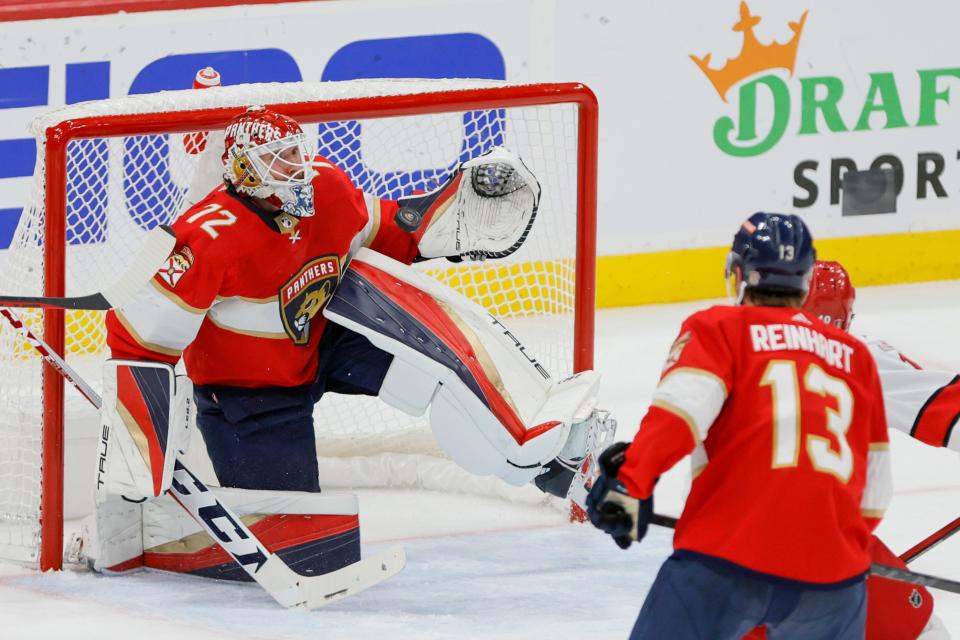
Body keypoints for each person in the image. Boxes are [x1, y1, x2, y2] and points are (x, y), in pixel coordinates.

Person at [101, 104, 605, 500]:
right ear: (244, 172)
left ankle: (551, 463)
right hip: (249, 394)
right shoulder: (209, 238)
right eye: (280, 160)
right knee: (286, 523)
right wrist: (139, 457)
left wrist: (440, 224)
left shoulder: (327, 187)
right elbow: (138, 341)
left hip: (329, 343)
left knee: (440, 361)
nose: (298, 168)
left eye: (297, 152)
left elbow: (384, 229)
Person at [586, 213, 892, 639]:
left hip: (726, 561)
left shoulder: (719, 329)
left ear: (739, 274)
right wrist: (821, 548)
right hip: (834, 584)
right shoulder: (855, 356)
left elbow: (679, 414)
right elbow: (875, 497)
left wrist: (631, 484)